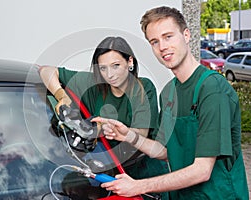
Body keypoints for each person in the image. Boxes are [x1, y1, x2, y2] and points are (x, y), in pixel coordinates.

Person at [92, 6, 249, 200]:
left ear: (186, 35)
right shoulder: (168, 93)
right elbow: (166, 151)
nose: (162, 47)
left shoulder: (212, 89)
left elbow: (202, 170)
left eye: (168, 37)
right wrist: (128, 136)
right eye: (154, 41)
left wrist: (138, 186)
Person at [38, 36, 169, 199]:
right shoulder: (93, 86)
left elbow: (141, 133)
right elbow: (45, 70)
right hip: (107, 175)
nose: (110, 75)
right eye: (103, 68)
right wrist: (62, 96)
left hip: (145, 175)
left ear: (130, 62)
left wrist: (108, 130)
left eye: (116, 66)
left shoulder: (143, 88)